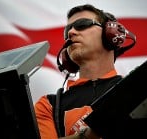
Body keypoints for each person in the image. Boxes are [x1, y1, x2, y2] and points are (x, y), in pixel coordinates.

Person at [34, 4, 136, 139]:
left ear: (111, 34)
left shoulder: (136, 89)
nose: (71, 33)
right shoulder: (49, 105)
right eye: (67, 31)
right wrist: (87, 135)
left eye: (82, 24)